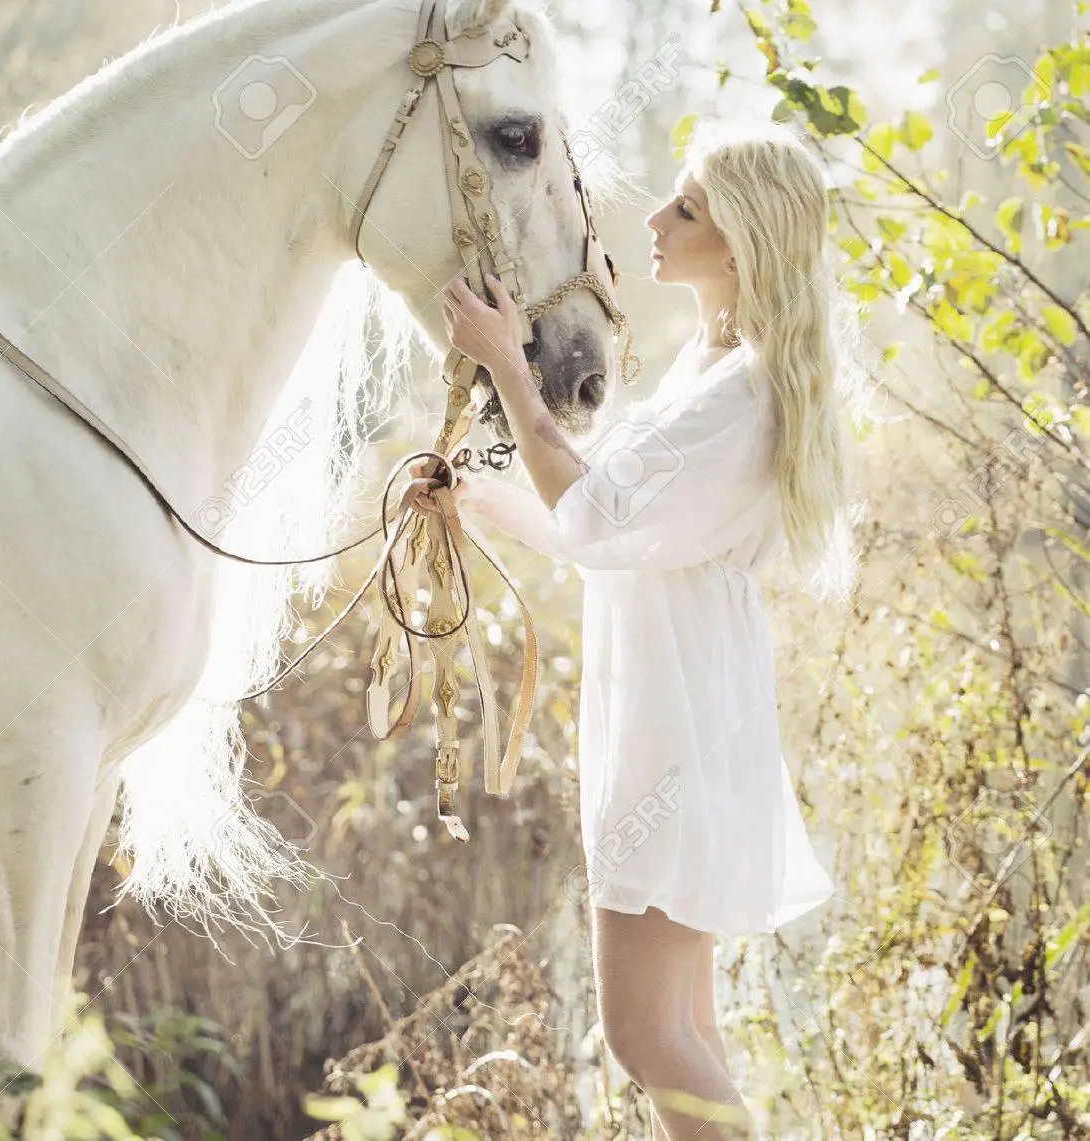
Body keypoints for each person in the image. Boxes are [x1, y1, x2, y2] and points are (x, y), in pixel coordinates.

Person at [411, 120, 866, 1139]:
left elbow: (602, 517)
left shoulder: (739, 397)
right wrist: (476, 498)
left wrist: (508, 368)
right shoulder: (709, 376)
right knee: (680, 1028)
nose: (655, 220)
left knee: (645, 1034)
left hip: (677, 723)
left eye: (688, 210)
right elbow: (603, 530)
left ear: (742, 242)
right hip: (677, 708)